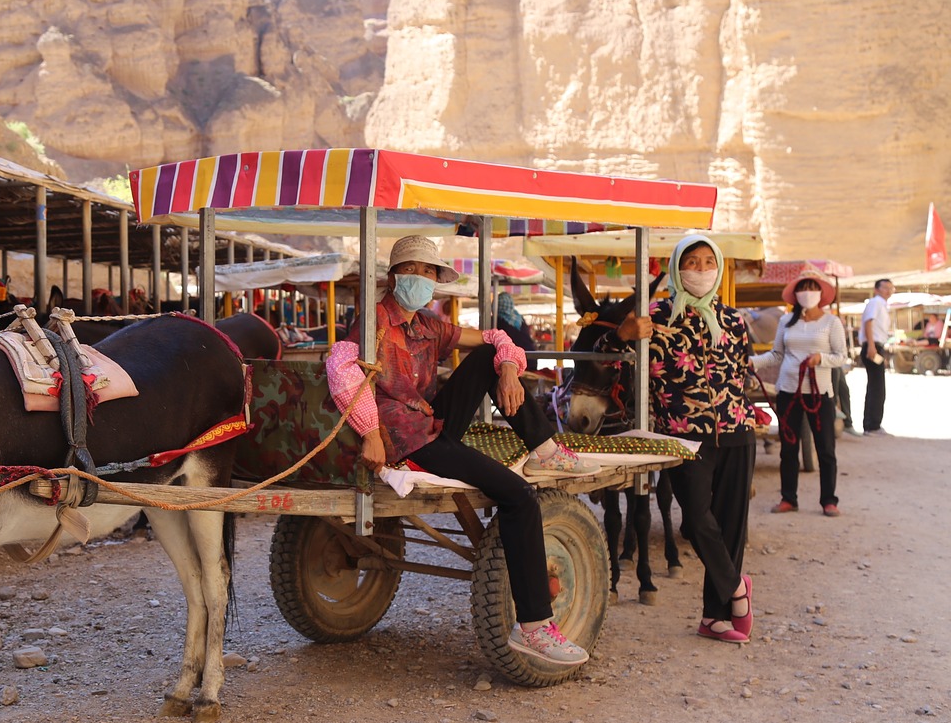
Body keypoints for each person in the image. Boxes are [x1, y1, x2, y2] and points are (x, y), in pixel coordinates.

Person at [326, 236, 598, 667]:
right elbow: (341, 368)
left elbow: (495, 337)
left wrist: (508, 368)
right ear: (394, 276)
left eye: (429, 272)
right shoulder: (374, 321)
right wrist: (370, 432)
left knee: (490, 353)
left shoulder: (429, 324)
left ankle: (544, 447)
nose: (421, 278)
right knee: (519, 497)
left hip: (431, 422)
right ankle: (533, 628)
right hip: (406, 441)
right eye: (412, 270)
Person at [603, 234, 757, 644]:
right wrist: (622, 334)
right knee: (694, 521)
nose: (702, 270)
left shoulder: (734, 320)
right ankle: (737, 587)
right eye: (693, 261)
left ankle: (714, 617)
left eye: (709, 262)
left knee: (730, 527)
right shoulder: (655, 315)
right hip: (684, 437)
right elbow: (606, 360)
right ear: (676, 267)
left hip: (737, 430)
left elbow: (740, 374)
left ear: (719, 268)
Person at [753, 271, 849, 516]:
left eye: (812, 288)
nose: (807, 293)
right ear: (795, 295)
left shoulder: (831, 323)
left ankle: (829, 500)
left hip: (820, 393)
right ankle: (788, 498)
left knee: (825, 448)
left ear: (820, 294)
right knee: (788, 447)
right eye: (802, 289)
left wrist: (821, 358)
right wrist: (752, 362)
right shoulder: (786, 321)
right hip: (788, 391)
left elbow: (841, 357)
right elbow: (776, 354)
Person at [858, 278, 895, 435]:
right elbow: (868, 322)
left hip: (877, 346)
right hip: (872, 346)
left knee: (876, 386)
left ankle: (872, 423)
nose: (888, 290)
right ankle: (872, 425)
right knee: (877, 387)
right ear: (877, 289)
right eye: (885, 287)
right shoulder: (876, 302)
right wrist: (871, 345)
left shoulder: (882, 305)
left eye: (890, 288)